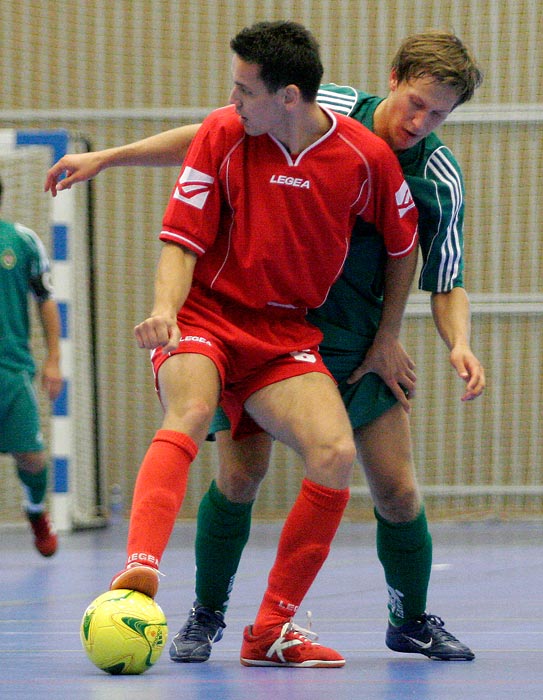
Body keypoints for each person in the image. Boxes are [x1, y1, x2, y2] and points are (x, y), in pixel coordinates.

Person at [44, 30, 482, 664]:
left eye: (438, 114)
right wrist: (111, 156)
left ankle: (402, 618)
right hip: (249, 321)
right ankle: (204, 609)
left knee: (396, 489)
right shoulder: (306, 107)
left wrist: (433, 342)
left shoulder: (422, 172)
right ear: (393, 78)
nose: (421, 121)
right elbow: (211, 136)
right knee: (240, 476)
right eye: (416, 102)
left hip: (351, 342)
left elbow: (425, 264)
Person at [0, 177, 62, 556]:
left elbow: (45, 300)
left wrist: (53, 359)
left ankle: (36, 513)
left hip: (12, 371)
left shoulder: (21, 241)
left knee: (33, 458)